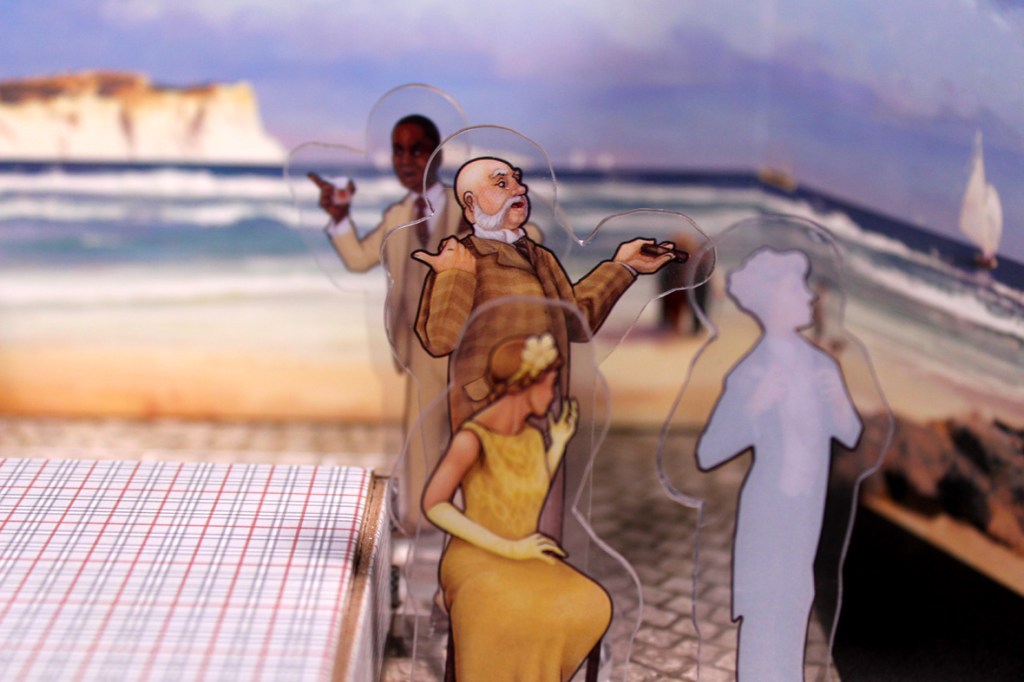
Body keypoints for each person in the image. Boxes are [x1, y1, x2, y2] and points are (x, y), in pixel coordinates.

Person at [413, 155, 677, 432]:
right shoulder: (460, 258)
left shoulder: (540, 257)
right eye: (502, 183)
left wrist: (624, 266)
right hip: (489, 417)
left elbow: (576, 320)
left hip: (546, 412)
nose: (520, 189)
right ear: (470, 203)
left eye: (517, 180)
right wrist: (455, 274)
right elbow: (439, 341)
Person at [695, 248, 862, 681]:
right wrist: (754, 406)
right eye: (796, 288)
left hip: (807, 519)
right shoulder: (751, 374)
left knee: (796, 609)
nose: (809, 296)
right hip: (768, 515)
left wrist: (837, 403)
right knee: (763, 613)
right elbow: (709, 452)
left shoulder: (822, 366)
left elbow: (850, 434)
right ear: (772, 302)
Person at [422, 333, 611, 682]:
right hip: (477, 557)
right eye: (550, 385)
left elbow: (527, 492)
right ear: (526, 384)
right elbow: (434, 504)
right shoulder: (472, 438)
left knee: (591, 599)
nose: (553, 395)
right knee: (514, 607)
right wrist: (508, 547)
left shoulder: (533, 437)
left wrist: (558, 444)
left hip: (526, 555)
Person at [314, 114, 468, 526]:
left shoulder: (467, 205)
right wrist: (340, 216)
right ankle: (417, 523)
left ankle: (481, 526)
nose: (405, 160)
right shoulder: (398, 215)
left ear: (437, 155)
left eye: (416, 150)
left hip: (472, 346)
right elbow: (358, 258)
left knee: (476, 437)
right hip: (418, 349)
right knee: (420, 441)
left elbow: (519, 240)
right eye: (398, 150)